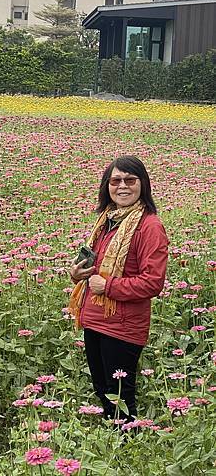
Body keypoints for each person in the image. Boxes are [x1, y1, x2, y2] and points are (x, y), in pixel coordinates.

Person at [68, 155, 168, 421]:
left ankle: (126, 448)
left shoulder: (149, 227)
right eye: (115, 180)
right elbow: (95, 266)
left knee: (120, 395)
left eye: (130, 180)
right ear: (107, 186)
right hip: (94, 319)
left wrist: (108, 285)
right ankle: (113, 444)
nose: (122, 186)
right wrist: (77, 274)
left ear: (142, 184)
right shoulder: (107, 221)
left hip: (123, 326)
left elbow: (152, 282)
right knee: (102, 390)